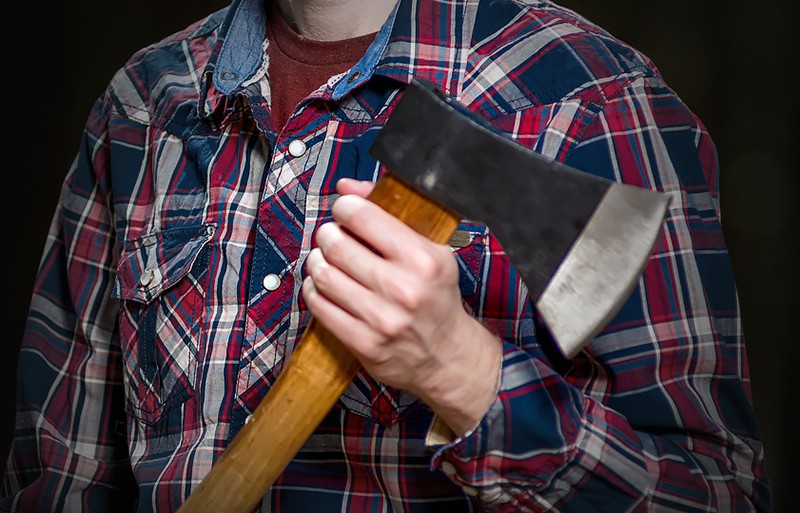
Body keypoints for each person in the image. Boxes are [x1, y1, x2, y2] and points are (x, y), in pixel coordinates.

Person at [1, 0, 772, 511]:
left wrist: (464, 373)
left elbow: (716, 495)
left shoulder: (593, 98)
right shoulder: (143, 104)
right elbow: (59, 472)